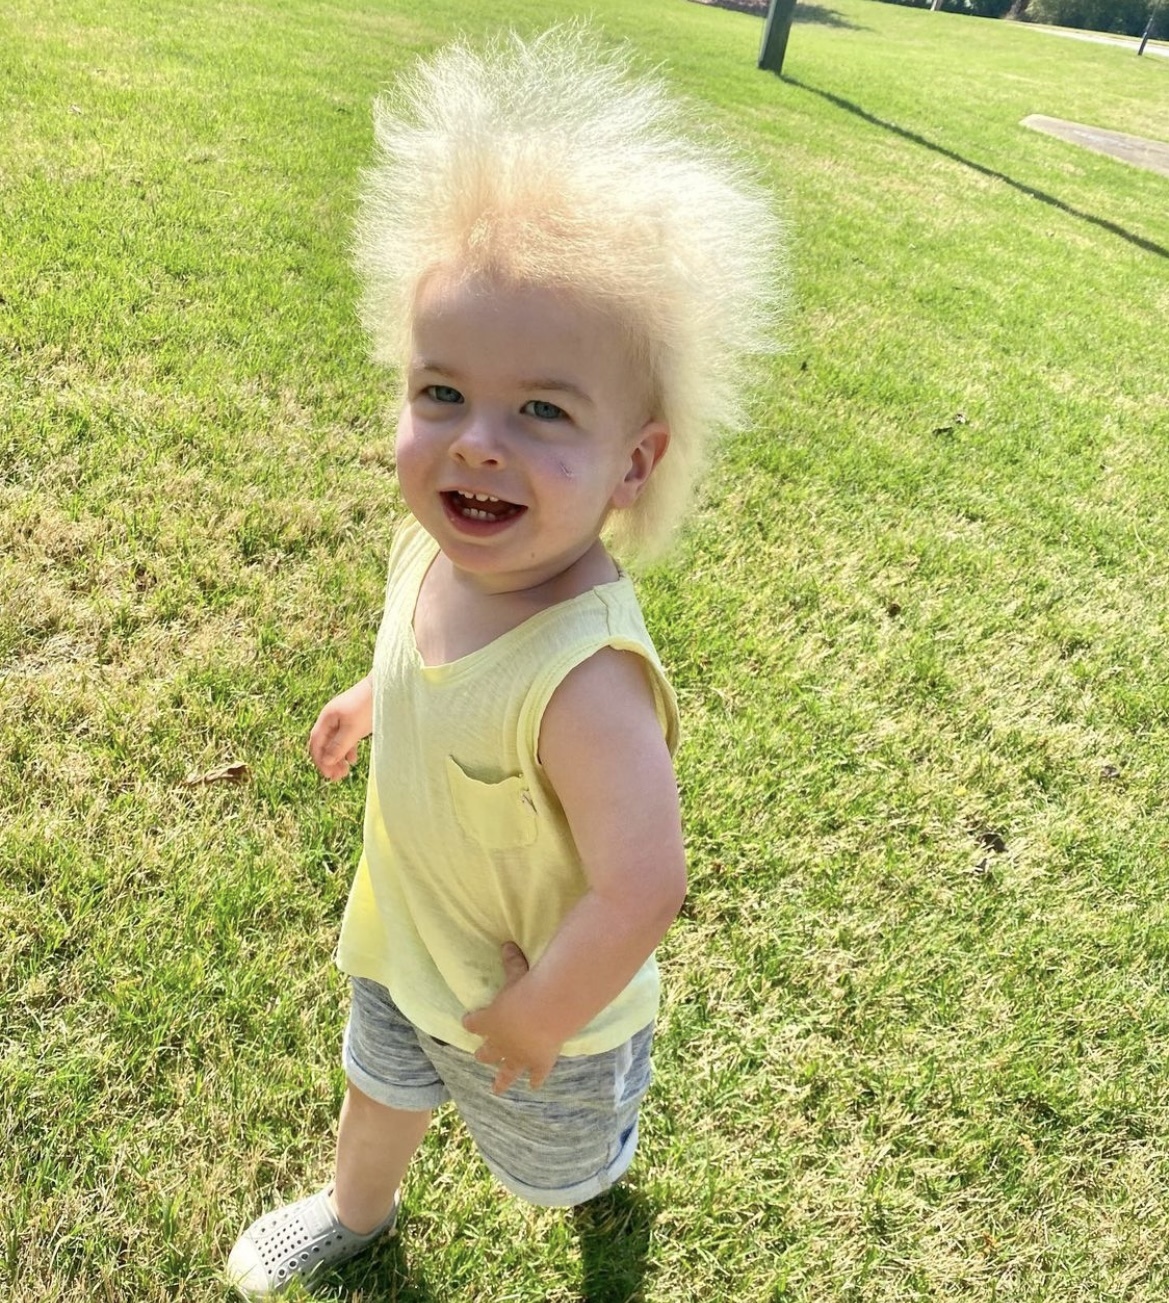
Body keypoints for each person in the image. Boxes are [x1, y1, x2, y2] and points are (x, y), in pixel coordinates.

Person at [226, 26, 783, 1297]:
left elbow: (642, 881)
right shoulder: (430, 552)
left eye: (541, 409)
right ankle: (352, 1211)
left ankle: (607, 1143)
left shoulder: (584, 679)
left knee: (556, 1172)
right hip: (407, 941)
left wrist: (540, 1013)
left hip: (544, 1004)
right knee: (376, 1086)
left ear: (632, 463)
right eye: (441, 393)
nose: (477, 443)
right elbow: (429, 663)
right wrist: (372, 700)